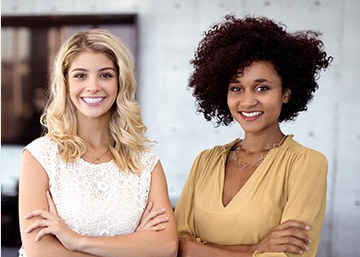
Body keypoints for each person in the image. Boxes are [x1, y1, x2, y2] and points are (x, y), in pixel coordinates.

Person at [175, 15, 332, 257]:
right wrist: (254, 250)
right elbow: (173, 246)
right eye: (236, 88)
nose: (248, 101)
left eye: (262, 88)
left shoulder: (306, 164)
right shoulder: (206, 161)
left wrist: (196, 248)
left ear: (286, 93)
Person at [18, 28, 178, 257]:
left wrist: (75, 241)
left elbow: (166, 247)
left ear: (120, 82)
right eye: (80, 75)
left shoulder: (146, 163)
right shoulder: (40, 157)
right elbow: (41, 251)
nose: (93, 86)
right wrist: (135, 247)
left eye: (105, 75)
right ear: (65, 83)